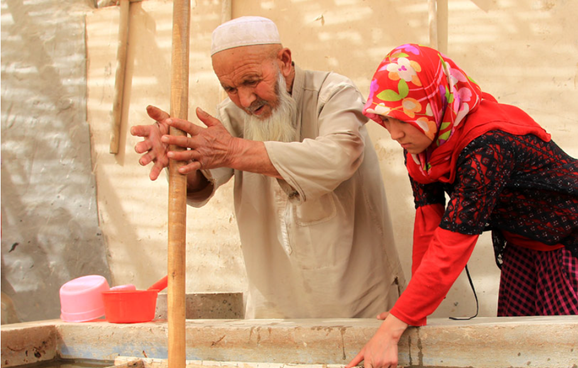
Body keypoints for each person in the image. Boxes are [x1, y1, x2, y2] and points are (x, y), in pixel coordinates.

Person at [346, 44, 578, 368]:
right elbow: (429, 225)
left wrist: (391, 330)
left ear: (434, 104)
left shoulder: (488, 145)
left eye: (404, 119)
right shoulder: (423, 149)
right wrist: (410, 312)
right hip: (522, 241)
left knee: (572, 363)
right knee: (520, 360)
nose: (394, 134)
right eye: (387, 120)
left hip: (571, 235)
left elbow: (453, 243)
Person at [130, 16, 405, 319]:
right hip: (273, 305)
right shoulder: (233, 114)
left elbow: (338, 157)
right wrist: (176, 152)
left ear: (284, 61)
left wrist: (233, 151)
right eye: (230, 88)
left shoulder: (333, 93)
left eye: (251, 81)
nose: (245, 99)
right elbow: (202, 182)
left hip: (356, 300)